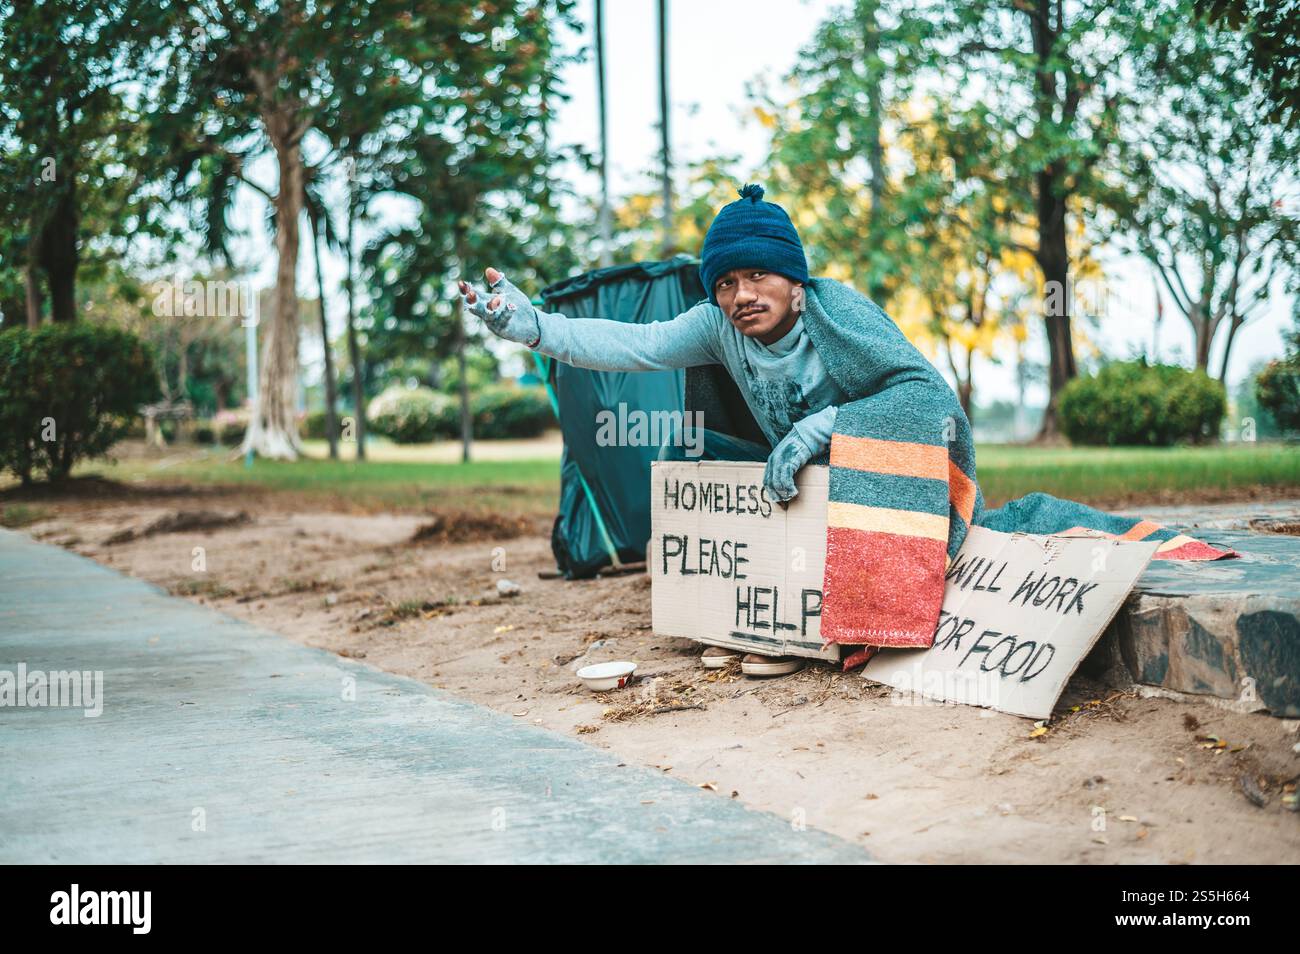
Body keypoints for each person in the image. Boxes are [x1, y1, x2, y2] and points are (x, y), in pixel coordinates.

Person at [459, 183, 1233, 676]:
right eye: (725, 282)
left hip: (873, 472)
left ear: (793, 279)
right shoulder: (714, 325)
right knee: (710, 458)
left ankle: (859, 626)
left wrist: (824, 425)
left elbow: (927, 399)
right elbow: (628, 348)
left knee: (873, 459)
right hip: (796, 485)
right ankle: (762, 624)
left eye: (757, 275)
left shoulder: (839, 312)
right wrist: (530, 325)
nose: (740, 295)